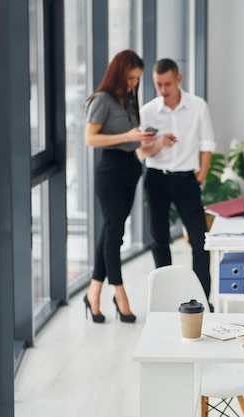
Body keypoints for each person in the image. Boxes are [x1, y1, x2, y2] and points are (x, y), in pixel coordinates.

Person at [136, 58, 215, 305]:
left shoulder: (197, 106)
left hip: (186, 179)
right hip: (156, 179)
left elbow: (207, 143)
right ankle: (166, 298)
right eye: (158, 84)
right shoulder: (148, 111)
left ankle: (202, 298)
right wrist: (159, 143)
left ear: (178, 79)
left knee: (200, 239)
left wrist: (200, 176)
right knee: (158, 239)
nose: (163, 90)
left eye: (167, 84)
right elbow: (141, 152)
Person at [83, 49, 154, 323]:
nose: (134, 83)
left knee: (109, 232)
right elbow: (91, 139)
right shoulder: (102, 99)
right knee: (115, 235)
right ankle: (120, 293)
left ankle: (93, 292)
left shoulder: (129, 101)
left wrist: (147, 140)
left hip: (130, 168)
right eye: (131, 78)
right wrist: (127, 135)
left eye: (137, 78)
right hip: (110, 171)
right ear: (119, 74)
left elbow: (131, 142)